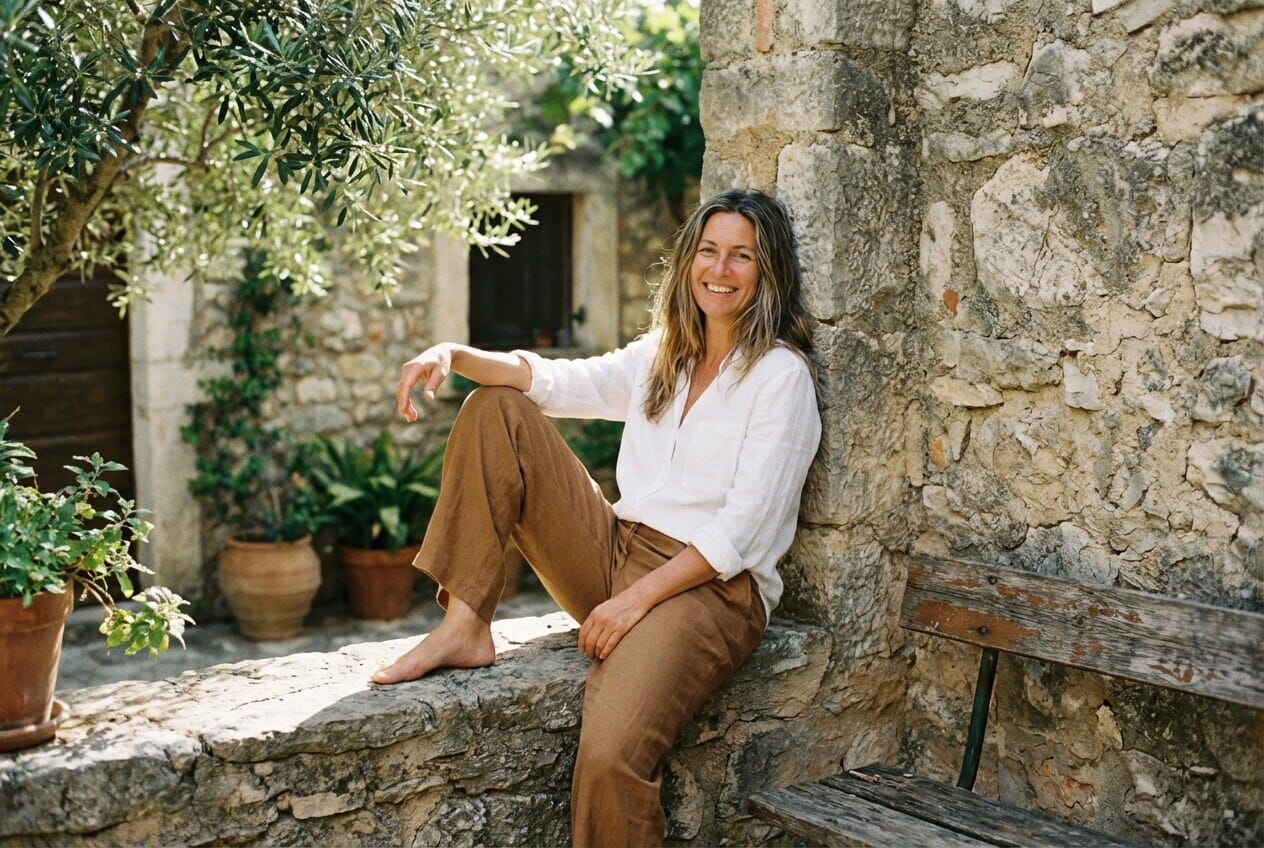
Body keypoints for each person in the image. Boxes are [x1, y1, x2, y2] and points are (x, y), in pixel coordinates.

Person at [372, 188, 822, 847]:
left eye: (742, 257)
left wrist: (631, 603)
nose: (720, 270)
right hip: (615, 549)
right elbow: (557, 383)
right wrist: (454, 354)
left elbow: (740, 535)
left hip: (708, 591)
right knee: (496, 410)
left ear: (769, 271)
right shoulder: (664, 351)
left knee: (611, 758)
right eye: (709, 251)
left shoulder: (781, 378)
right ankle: (465, 625)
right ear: (688, 261)